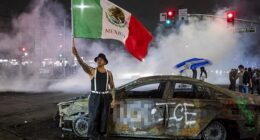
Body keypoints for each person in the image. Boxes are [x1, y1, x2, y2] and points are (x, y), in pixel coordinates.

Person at [72, 40, 115, 140]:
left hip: (105, 97)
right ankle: (92, 137)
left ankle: (101, 136)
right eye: (98, 59)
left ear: (105, 62)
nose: (99, 61)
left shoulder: (109, 73)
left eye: (101, 59)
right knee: (94, 117)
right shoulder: (92, 71)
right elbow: (82, 64)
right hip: (95, 97)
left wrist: (114, 99)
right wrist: (77, 55)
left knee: (104, 118)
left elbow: (112, 87)